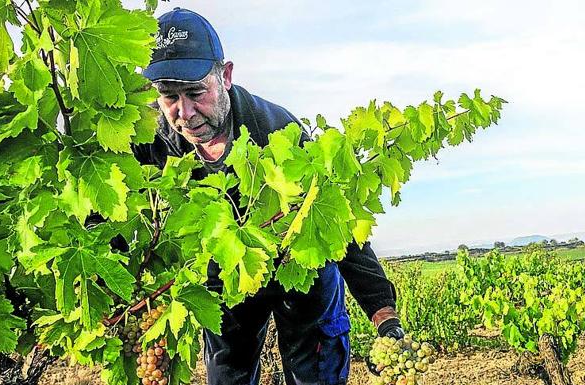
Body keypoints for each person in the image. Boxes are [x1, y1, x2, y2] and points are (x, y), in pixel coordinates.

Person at [134, 7, 405, 385]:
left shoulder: (278, 133)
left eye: (196, 92)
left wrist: (382, 312)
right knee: (226, 375)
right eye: (169, 97)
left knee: (317, 373)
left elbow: (339, 223)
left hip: (300, 266)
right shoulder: (149, 138)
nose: (185, 113)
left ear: (225, 76)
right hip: (228, 275)